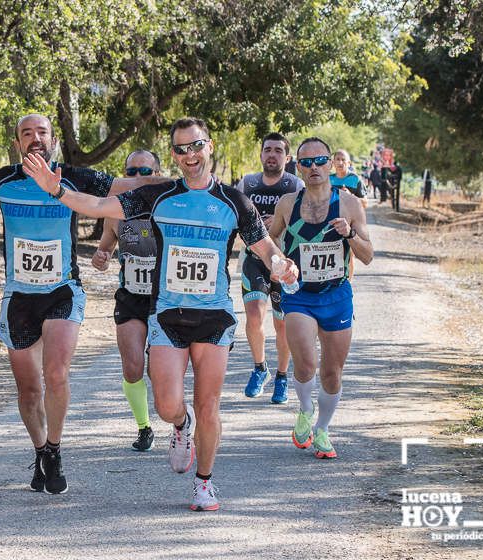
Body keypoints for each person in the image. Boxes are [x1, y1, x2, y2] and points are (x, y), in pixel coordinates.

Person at [22, 117, 299, 511]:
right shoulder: (159, 195)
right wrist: (57, 191)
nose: (190, 155)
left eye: (196, 146)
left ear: (210, 146)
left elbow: (265, 246)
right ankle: (180, 427)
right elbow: (100, 205)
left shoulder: (234, 202)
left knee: (209, 404)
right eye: (182, 149)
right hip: (168, 315)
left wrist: (280, 263)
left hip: (214, 316)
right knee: (168, 405)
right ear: (174, 154)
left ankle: (205, 483)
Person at [0, 114, 166, 495]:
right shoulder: (3, 179)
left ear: (53, 139)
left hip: (63, 290)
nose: (35, 139)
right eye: (26, 133)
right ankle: (41, 449)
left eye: (41, 132)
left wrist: (187, 182)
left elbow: (132, 183)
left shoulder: (74, 177)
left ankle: (56, 449)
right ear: (17, 142)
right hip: (19, 296)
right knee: (29, 390)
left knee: (56, 374)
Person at [269, 137, 373, 460]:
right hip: (299, 295)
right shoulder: (288, 204)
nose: (314, 168)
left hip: (337, 295)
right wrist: (276, 264)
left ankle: (323, 429)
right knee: (306, 363)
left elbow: (367, 255)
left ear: (330, 163)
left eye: (320, 161)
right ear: (297, 167)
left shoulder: (350, 204)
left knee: (331, 372)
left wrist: (350, 235)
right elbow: (270, 239)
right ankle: (304, 408)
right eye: (307, 162)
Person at [92, 150, 161, 451]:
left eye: (145, 171)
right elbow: (105, 248)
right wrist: (101, 256)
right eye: (130, 171)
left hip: (165, 300)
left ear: (158, 173)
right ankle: (144, 426)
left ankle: (176, 419)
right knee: (133, 366)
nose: (136, 178)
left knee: (159, 370)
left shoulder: (169, 209)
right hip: (131, 298)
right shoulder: (115, 212)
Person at [234, 133, 304, 403]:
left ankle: (282, 376)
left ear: (287, 158)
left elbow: (302, 221)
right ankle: (259, 368)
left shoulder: (294, 185)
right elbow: (235, 217)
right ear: (261, 155)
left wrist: (279, 220)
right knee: (253, 316)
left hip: (284, 263)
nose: (272, 155)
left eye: (278, 150)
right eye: (267, 150)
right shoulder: (248, 183)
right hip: (254, 260)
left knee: (282, 324)